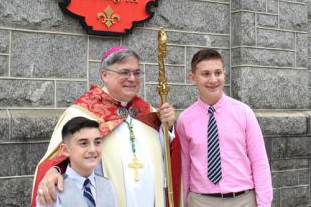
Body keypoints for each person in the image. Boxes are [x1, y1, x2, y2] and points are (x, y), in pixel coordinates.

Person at [31, 46, 180, 207]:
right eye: (124, 72)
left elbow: (169, 161)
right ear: (105, 75)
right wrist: (55, 170)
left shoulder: (148, 113)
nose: (132, 78)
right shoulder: (83, 112)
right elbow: (59, 157)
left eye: (136, 73)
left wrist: (168, 128)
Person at [176, 49, 273, 207]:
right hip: (201, 201)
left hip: (243, 200)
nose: (213, 79)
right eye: (206, 74)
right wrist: (184, 202)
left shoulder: (244, 113)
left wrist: (264, 204)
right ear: (192, 78)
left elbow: (259, 162)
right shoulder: (184, 120)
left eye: (218, 73)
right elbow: (185, 167)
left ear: (224, 74)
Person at [36, 117, 116, 207]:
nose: (93, 149)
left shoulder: (108, 185)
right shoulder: (51, 190)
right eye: (84, 143)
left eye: (97, 142)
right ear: (65, 150)